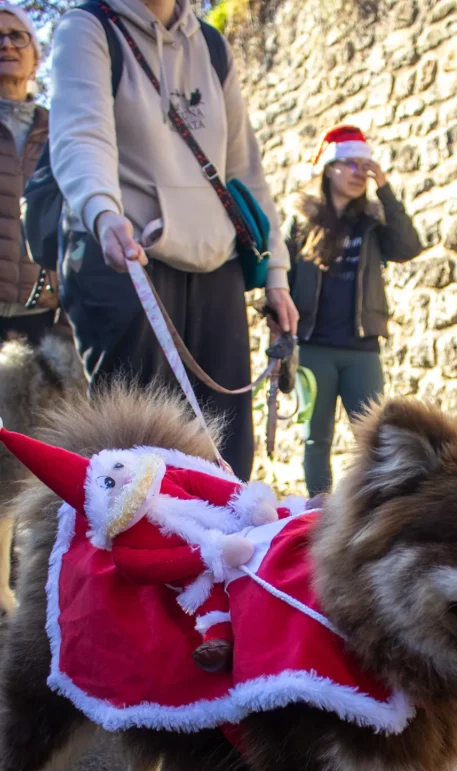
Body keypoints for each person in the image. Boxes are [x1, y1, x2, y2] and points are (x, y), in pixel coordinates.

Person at [49, 0, 297, 481]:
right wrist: (103, 212)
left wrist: (278, 277)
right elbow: (82, 135)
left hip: (214, 263)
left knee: (225, 455)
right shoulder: (88, 28)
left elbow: (245, 169)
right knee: (135, 461)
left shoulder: (210, 45)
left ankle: (219, 557)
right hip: (128, 257)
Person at [284, 124, 422, 496]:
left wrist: (387, 189)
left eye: (367, 166)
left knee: (378, 438)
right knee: (317, 438)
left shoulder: (374, 221)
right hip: (314, 346)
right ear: (330, 168)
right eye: (351, 165)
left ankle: (375, 512)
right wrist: (282, 338)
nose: (361, 174)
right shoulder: (301, 221)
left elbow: (409, 246)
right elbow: (279, 279)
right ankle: (319, 511)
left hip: (362, 348)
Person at [0, 4, 59, 345]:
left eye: (18, 36)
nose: (7, 44)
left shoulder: (62, 130)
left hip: (46, 317)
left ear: (36, 59)